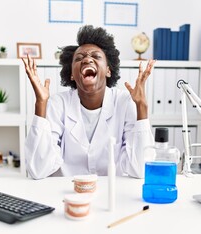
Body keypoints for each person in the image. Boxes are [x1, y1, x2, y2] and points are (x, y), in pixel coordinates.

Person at [22, 25, 156, 179]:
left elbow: (141, 170)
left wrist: (142, 108)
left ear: (108, 70)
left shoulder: (125, 102)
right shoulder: (58, 103)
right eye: (79, 58)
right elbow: (38, 170)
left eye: (96, 56)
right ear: (72, 74)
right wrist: (40, 104)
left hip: (112, 194)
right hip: (67, 194)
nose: (87, 59)